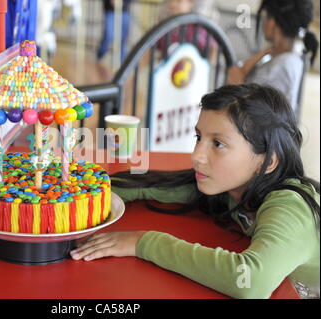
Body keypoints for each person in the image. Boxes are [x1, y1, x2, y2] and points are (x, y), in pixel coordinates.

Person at [71, 84, 320, 299]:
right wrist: (79, 197)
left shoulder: (290, 206)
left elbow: (251, 281)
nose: (196, 155)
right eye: (198, 137)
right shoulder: (232, 189)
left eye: (218, 143)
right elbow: (158, 187)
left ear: (268, 161)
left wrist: (143, 242)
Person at [227, 0, 319, 112]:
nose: (263, 22)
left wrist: (236, 81)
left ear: (272, 23)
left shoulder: (284, 66)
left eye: (266, 16)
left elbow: (255, 113)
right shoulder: (285, 59)